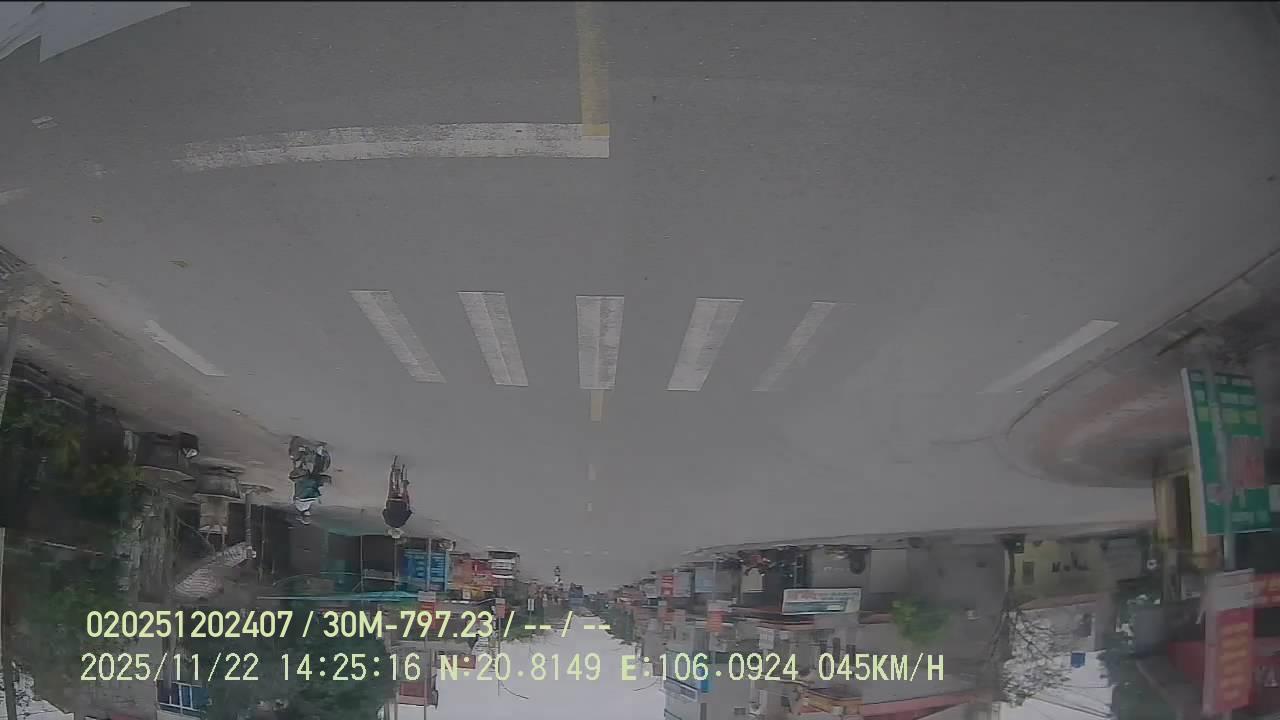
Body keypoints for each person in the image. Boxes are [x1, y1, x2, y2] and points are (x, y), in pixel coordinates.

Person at [384, 456, 413, 533]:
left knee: (406, 499)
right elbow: (384, 511)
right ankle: (393, 473)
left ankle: (405, 487)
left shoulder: (402, 523)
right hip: (392, 502)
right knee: (391, 487)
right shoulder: (388, 522)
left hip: (402, 504)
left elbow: (409, 512)